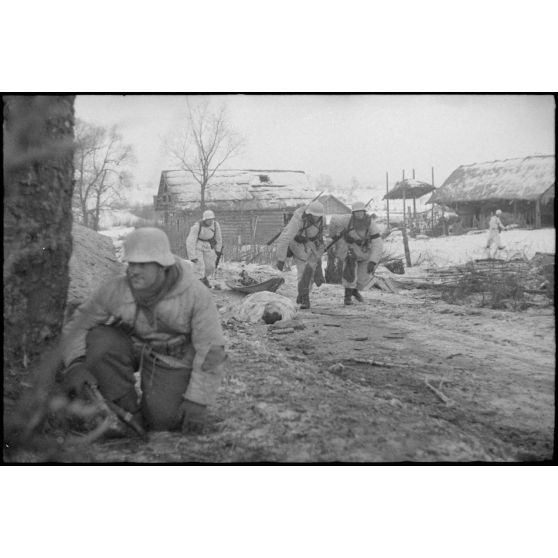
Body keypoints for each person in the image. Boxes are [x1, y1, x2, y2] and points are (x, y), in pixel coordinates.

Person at [60, 227, 227, 436]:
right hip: (135, 347)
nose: (134, 271)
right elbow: (78, 324)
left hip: (172, 359)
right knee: (101, 337)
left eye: (142, 264)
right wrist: (76, 363)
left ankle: (153, 412)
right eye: (131, 264)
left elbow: (213, 350)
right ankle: (126, 412)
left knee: (163, 420)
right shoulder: (117, 289)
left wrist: (198, 400)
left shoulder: (195, 294)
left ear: (162, 266)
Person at [328, 202, 383, 305]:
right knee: (350, 272)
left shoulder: (370, 223)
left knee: (363, 278)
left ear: (364, 212)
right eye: (356, 212)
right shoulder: (347, 219)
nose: (359, 214)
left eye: (361, 212)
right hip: (350, 249)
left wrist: (373, 261)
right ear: (353, 213)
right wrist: (334, 234)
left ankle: (355, 291)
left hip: (364, 250)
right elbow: (334, 219)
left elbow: (377, 243)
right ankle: (347, 296)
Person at [275, 201, 325, 310]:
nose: (316, 218)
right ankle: (304, 298)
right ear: (309, 213)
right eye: (314, 216)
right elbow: (285, 239)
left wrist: (319, 251)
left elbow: (320, 236)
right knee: (303, 273)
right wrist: (281, 259)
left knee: (311, 275)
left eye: (318, 216)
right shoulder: (298, 219)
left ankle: (302, 294)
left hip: (312, 247)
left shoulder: (322, 219)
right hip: (297, 246)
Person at [186, 209, 223, 287]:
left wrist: (218, 250)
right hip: (198, 246)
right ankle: (199, 283)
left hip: (208, 246)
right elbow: (190, 240)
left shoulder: (216, 225)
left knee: (210, 266)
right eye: (208, 220)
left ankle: (204, 278)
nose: (210, 221)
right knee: (200, 266)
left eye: (212, 219)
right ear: (205, 219)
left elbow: (218, 238)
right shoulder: (197, 226)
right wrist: (192, 256)